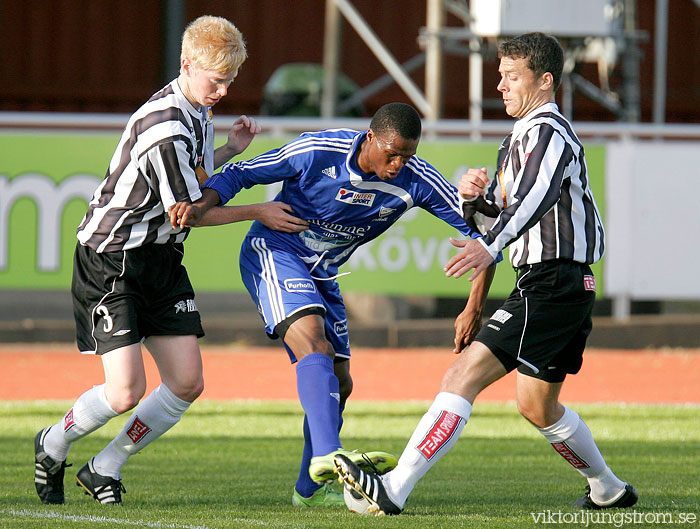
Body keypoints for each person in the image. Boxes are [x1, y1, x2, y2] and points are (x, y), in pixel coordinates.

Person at [334, 32, 638, 515]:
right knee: (537, 405)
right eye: (500, 75)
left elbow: (533, 201)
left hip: (556, 281)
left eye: (511, 76)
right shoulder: (519, 138)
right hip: (544, 284)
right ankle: (609, 489)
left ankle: (394, 489)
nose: (500, 85)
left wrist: (488, 242)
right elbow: (502, 215)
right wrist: (474, 200)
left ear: (544, 81)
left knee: (465, 378)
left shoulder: (549, 131)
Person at [33, 15, 304, 505]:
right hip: (111, 259)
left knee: (186, 382)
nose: (222, 91)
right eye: (216, 79)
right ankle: (53, 443)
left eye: (230, 81)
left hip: (159, 259)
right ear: (186, 64)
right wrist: (258, 210)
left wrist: (227, 150)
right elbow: (192, 214)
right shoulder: (164, 126)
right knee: (124, 393)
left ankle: (105, 466)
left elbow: (194, 176)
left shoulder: (196, 106)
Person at [176, 102, 495, 507]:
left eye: (407, 155)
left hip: (324, 273)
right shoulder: (317, 149)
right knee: (314, 343)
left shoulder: (417, 179)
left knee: (340, 383)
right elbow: (241, 173)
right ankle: (329, 453)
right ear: (370, 138)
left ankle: (308, 491)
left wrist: (473, 307)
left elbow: (486, 238)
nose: (398, 164)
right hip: (274, 250)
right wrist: (202, 206)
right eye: (392, 153)